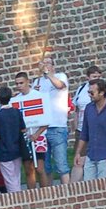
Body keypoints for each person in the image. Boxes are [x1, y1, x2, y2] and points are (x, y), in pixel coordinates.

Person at [74, 79, 106, 179]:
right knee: (89, 187)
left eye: (92, 92)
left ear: (102, 93)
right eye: (88, 92)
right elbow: (84, 133)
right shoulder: (89, 108)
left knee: (104, 187)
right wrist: (78, 153)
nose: (89, 95)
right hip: (91, 154)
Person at [33, 56, 71, 184]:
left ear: (53, 66)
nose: (46, 65)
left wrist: (47, 73)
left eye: (48, 63)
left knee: (61, 166)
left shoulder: (60, 76)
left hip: (57, 126)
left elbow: (60, 86)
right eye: (43, 63)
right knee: (46, 167)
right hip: (42, 129)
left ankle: (68, 193)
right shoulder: (37, 82)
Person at [0, 86, 28, 193]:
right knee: (16, 176)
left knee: (10, 180)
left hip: (4, 150)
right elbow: (23, 129)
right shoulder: (16, 112)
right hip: (17, 148)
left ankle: (16, 200)